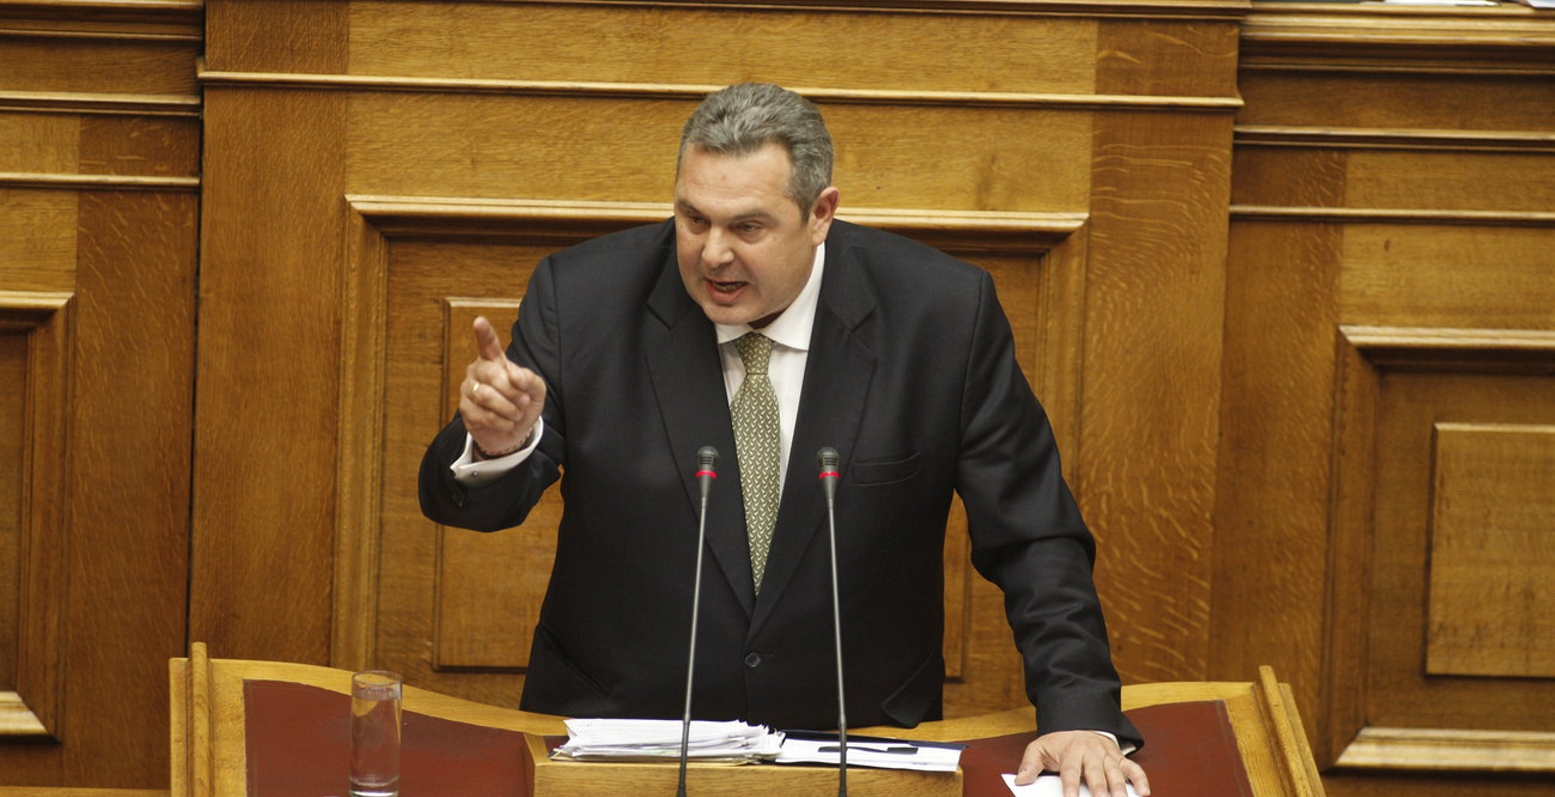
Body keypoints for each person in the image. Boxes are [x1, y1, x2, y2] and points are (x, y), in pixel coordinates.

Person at [419, 82, 1149, 797]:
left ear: (820, 213)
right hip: (619, 741)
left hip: (855, 744)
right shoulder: (583, 298)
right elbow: (476, 505)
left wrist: (1079, 711)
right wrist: (499, 444)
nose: (712, 254)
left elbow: (1032, 534)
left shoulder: (941, 315)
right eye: (693, 219)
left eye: (747, 227)